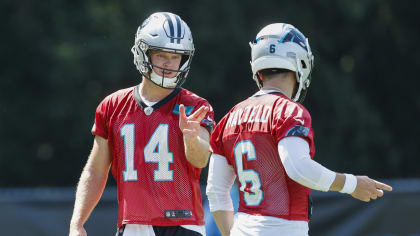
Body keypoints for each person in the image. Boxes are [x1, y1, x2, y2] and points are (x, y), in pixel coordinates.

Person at [206, 23, 392, 236]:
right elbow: (297, 168)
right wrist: (351, 184)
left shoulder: (229, 117)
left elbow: (216, 191)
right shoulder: (289, 111)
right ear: (300, 63)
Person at [69, 12, 215, 236]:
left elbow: (201, 159)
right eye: (161, 54)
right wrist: (77, 222)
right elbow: (96, 170)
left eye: (176, 56)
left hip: (183, 224)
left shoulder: (194, 105)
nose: (169, 63)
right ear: (143, 53)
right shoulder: (113, 105)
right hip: (131, 225)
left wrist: (191, 139)